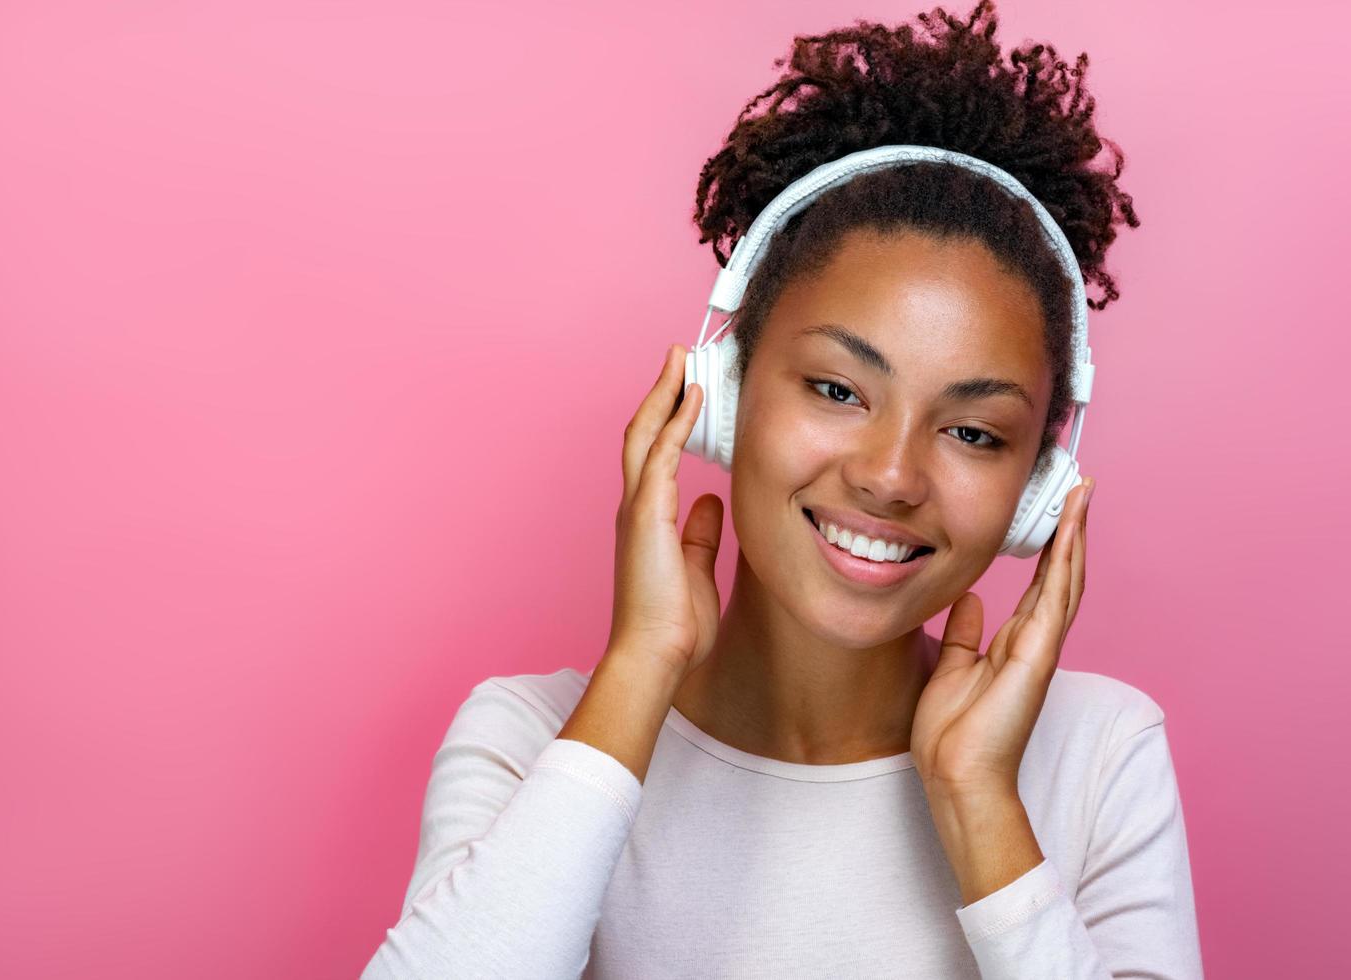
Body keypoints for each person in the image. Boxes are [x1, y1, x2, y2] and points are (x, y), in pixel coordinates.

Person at [361, 2, 1202, 977]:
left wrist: (978, 805)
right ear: (721, 395)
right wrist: (637, 673)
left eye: (971, 430)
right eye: (837, 389)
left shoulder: (1097, 756)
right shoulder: (530, 738)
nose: (889, 476)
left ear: (1037, 490)